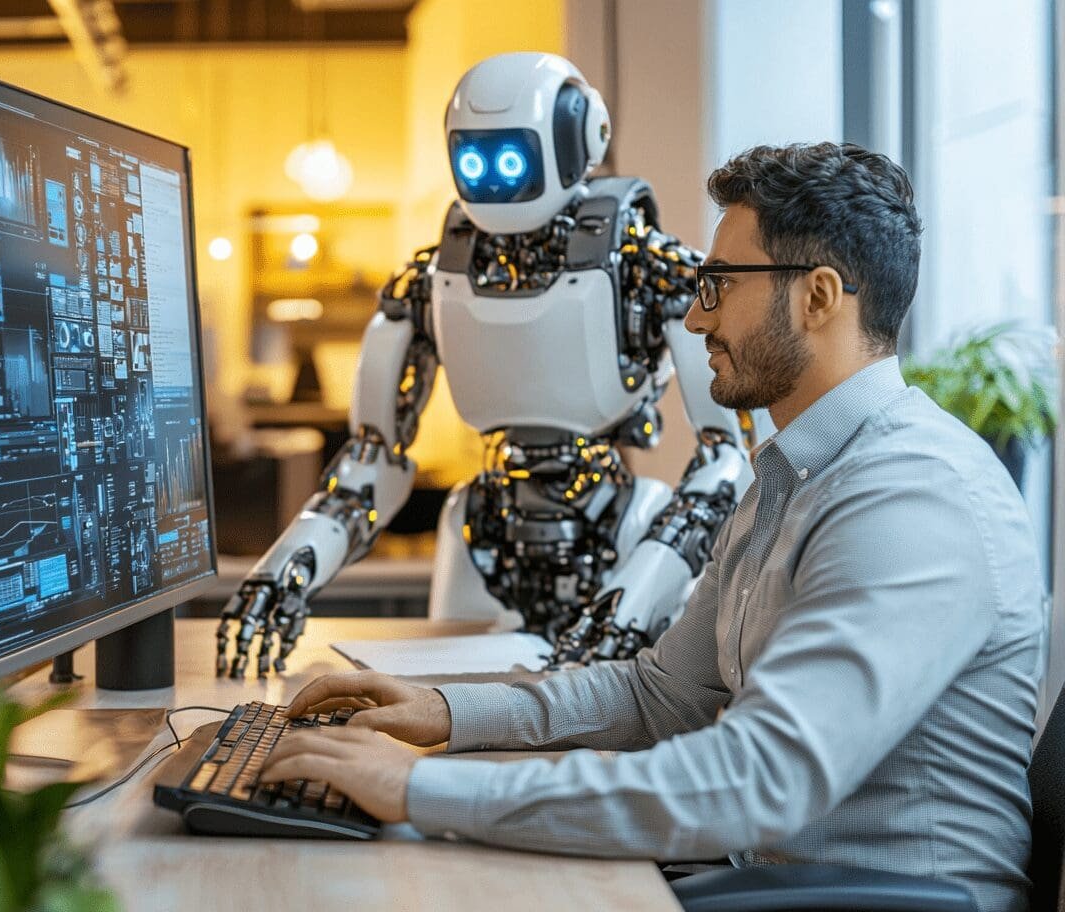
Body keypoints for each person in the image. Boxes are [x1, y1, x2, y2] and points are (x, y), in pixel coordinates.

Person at [259, 142, 1046, 912]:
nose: (696, 319)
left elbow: (759, 776)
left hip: (879, 900)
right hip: (767, 879)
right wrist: (446, 711)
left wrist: (416, 788)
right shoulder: (794, 476)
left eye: (719, 285)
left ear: (818, 297)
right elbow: (658, 695)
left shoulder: (911, 497)